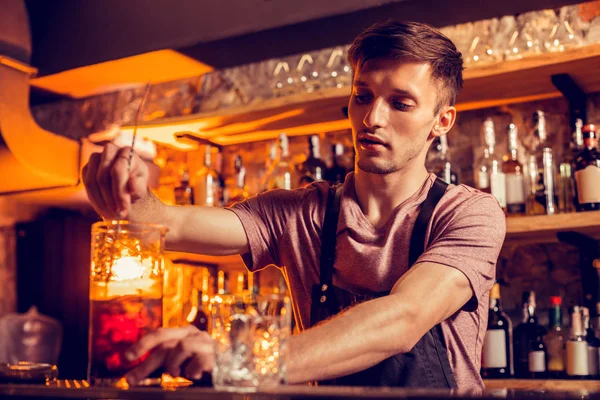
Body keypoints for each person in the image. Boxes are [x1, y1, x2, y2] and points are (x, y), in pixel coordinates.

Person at [82, 20, 505, 390]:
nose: (373, 118)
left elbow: (404, 318)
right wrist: (127, 194)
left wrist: (245, 360)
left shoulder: (470, 215)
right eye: (362, 96)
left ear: (442, 121)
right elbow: (165, 225)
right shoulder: (301, 213)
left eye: (400, 103)